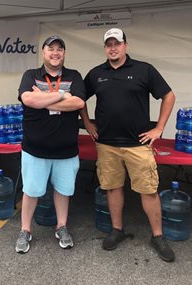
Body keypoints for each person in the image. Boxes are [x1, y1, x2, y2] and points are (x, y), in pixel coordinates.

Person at [80, 28, 176, 262]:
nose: (113, 48)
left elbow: (169, 95)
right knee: (112, 187)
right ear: (105, 48)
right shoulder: (96, 74)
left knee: (148, 190)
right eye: (108, 44)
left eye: (117, 43)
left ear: (125, 45)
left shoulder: (144, 70)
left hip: (137, 144)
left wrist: (159, 128)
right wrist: (87, 123)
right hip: (106, 144)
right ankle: (117, 230)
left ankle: (158, 236)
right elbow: (79, 98)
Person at [15, 35, 85, 253]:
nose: (55, 53)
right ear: (43, 52)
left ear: (64, 53)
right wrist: (63, 94)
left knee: (63, 191)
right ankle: (25, 230)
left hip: (66, 150)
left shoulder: (74, 75)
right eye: (50, 49)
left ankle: (61, 226)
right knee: (31, 191)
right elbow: (28, 100)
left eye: (59, 49)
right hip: (35, 150)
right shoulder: (31, 75)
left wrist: (45, 99)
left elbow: (79, 102)